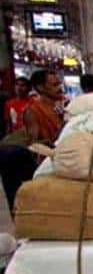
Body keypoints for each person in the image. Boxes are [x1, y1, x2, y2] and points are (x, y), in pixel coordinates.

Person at [0, 70, 63, 210]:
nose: (59, 87)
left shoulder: (61, 106)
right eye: (54, 84)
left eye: (59, 83)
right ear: (40, 88)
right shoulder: (32, 111)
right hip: (46, 163)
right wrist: (58, 135)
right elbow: (33, 144)